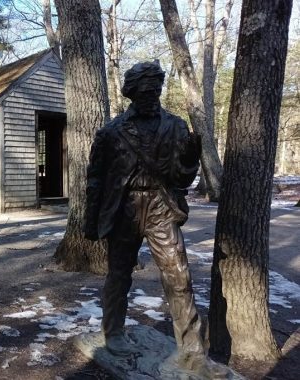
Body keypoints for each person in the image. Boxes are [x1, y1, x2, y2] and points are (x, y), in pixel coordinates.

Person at [84, 61, 224, 376]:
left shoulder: (175, 127)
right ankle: (114, 333)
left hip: (161, 207)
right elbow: (95, 178)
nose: (152, 95)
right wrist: (91, 222)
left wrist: (190, 158)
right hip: (125, 208)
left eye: (156, 89)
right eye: (146, 90)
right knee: (119, 274)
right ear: (132, 92)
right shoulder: (111, 132)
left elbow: (181, 178)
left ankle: (192, 351)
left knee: (179, 277)